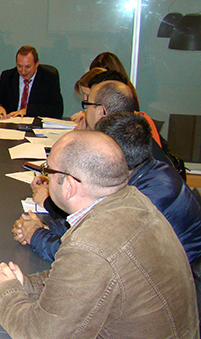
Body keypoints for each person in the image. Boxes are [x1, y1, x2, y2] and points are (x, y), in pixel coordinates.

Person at [0, 131, 200, 339]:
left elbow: (42, 335)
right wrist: (23, 283)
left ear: (68, 183)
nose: (44, 177)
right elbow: (76, 280)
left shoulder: (93, 242)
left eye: (47, 171)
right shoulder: (130, 203)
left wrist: (5, 291)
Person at [14, 113, 201, 267]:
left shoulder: (143, 202)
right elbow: (92, 217)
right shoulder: (145, 171)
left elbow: (87, 255)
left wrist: (35, 235)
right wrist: (46, 227)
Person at [0, 46, 63, 119]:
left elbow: (57, 110)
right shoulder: (8, 76)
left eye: (28, 67)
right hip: (10, 123)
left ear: (36, 63)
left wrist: (27, 111)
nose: (23, 71)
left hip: (35, 125)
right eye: (20, 66)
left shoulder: (49, 78)